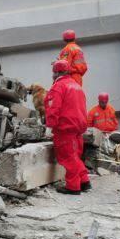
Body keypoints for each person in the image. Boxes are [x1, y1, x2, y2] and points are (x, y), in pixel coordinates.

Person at [45, 60, 89, 195]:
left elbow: (53, 108)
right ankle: (84, 181)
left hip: (65, 127)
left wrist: (49, 126)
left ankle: (73, 187)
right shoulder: (76, 86)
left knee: (68, 157)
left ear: (56, 72)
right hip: (78, 127)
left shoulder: (58, 86)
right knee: (75, 155)